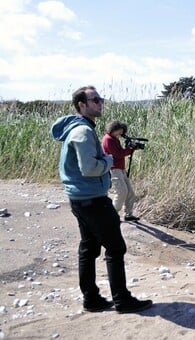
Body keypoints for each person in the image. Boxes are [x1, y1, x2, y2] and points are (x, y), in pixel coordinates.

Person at [50, 85, 152, 313]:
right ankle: (122, 300)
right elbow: (89, 168)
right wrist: (107, 161)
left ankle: (92, 299)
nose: (100, 103)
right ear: (81, 105)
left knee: (89, 247)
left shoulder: (77, 128)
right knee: (115, 248)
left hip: (79, 198)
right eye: (95, 99)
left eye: (100, 99)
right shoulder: (83, 132)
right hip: (92, 199)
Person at [101, 120, 139, 222]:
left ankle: (128, 214)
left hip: (120, 168)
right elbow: (118, 154)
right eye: (120, 131)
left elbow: (120, 153)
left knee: (130, 192)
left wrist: (129, 149)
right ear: (114, 129)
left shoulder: (114, 139)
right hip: (114, 169)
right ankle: (111, 215)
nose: (121, 134)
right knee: (122, 192)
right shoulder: (108, 139)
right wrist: (130, 149)